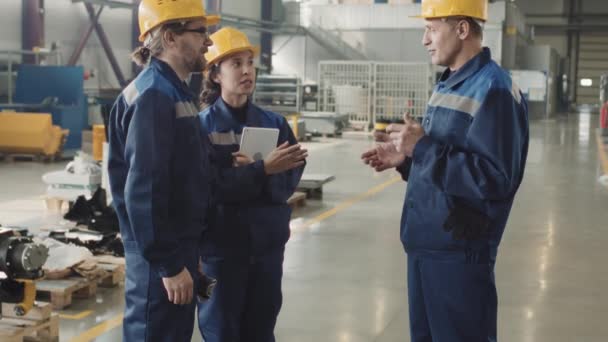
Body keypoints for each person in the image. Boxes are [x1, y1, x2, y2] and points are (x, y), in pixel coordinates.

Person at [107, 1, 306, 340]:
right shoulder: (157, 97)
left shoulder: (171, 93)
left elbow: (188, 183)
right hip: (163, 263)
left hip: (180, 252)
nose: (208, 42)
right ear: (170, 37)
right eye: (200, 32)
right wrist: (169, 263)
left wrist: (189, 252)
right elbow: (146, 190)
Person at [361, 0, 529, 341]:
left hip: (458, 253)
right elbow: (448, 159)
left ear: (462, 29)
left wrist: (421, 148)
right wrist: (407, 160)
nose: (425, 39)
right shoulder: (449, 83)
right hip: (426, 244)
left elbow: (494, 180)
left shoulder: (493, 89)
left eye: (432, 29)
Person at [196, 27, 306, 342]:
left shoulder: (274, 124)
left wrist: (260, 174)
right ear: (216, 74)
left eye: (249, 63)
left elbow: (289, 179)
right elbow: (209, 189)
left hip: (267, 249)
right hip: (222, 251)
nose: (247, 71)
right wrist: (261, 171)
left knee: (261, 330)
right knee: (222, 331)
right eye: (236, 64)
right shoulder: (202, 127)